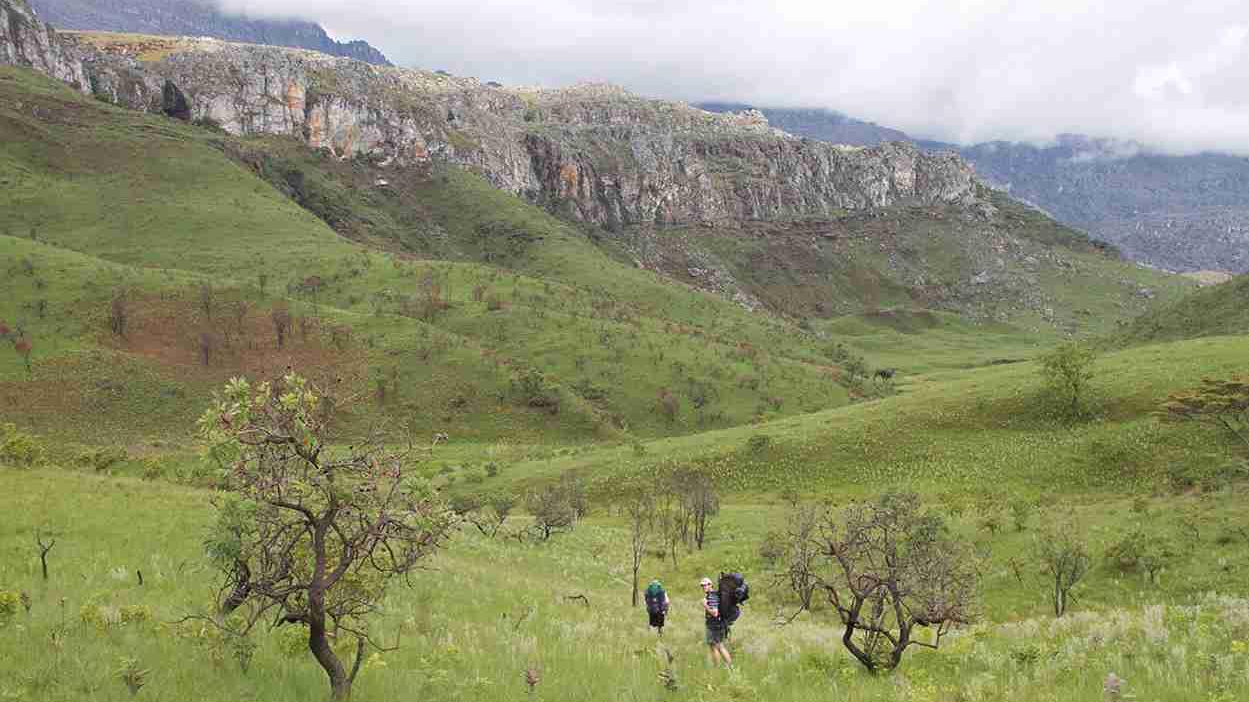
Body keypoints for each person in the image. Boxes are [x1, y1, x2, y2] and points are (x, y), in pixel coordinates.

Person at [700, 576, 732, 668]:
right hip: (718, 624)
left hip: (714, 625)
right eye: (702, 586)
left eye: (706, 585)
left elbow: (715, 613)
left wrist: (705, 605)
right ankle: (725, 667)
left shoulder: (712, 596)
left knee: (717, 646)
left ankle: (722, 667)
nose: (704, 587)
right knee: (717, 646)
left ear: (711, 585)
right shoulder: (714, 595)